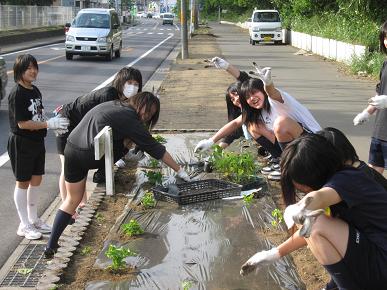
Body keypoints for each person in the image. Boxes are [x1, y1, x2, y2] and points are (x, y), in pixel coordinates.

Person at [44, 92, 190, 257]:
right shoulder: (129, 117)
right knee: (127, 144)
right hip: (91, 156)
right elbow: (154, 147)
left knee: (72, 200)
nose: (146, 115)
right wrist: (180, 170)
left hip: (70, 149)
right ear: (139, 103)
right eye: (146, 110)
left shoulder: (115, 105)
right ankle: (101, 174)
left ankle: (51, 245)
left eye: (150, 114)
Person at [241, 134, 387, 290]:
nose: (298, 187)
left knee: (317, 224)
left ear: (315, 172)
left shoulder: (347, 180)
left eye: (299, 182)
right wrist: (274, 254)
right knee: (314, 224)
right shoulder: (342, 179)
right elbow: (310, 231)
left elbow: (320, 197)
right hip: (376, 255)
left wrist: (300, 207)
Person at [195, 58, 321, 180]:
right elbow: (235, 124)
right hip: (298, 147)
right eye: (247, 97)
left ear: (263, 91)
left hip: (315, 145)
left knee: (281, 123)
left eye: (254, 93)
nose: (252, 98)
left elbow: (270, 91)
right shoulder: (255, 110)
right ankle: (280, 160)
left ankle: (289, 167)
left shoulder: (276, 101)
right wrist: (210, 142)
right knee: (253, 126)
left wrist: (268, 83)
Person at [54, 67, 143, 213]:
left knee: (80, 168)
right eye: (129, 82)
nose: (132, 87)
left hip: (80, 127)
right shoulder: (109, 95)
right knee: (68, 166)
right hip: (66, 122)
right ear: (120, 82)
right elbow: (107, 125)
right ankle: (68, 208)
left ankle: (81, 205)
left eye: (136, 84)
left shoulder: (125, 100)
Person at [8, 54, 69, 240]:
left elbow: (39, 117)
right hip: (21, 142)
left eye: (35, 67)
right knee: (23, 182)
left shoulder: (35, 91)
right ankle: (24, 224)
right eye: (29, 68)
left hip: (37, 142)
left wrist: (53, 125)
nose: (33, 71)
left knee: (36, 180)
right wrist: (48, 125)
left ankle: (34, 220)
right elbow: (23, 124)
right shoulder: (17, 93)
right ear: (19, 70)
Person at [353, 20, 387, 175]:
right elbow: (380, 93)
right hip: (380, 130)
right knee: (372, 175)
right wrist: (366, 113)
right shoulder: (386, 64)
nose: (386, 42)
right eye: (385, 37)